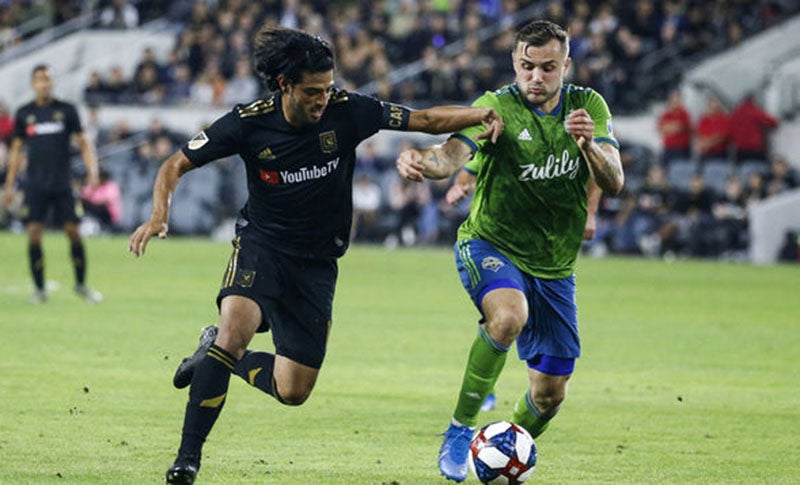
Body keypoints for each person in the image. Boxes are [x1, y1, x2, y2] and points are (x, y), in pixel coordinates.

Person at [127, 26, 504, 485]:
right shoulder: (248, 122)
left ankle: (213, 353)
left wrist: (480, 113)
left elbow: (424, 120)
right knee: (236, 330)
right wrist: (158, 214)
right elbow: (175, 164)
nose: (323, 98)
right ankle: (187, 460)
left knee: (293, 390)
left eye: (327, 88)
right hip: (261, 246)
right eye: (312, 91)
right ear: (285, 85)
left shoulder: (349, 111)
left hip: (317, 262)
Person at [395, 20, 623, 482]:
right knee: (507, 316)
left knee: (549, 396)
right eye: (526, 66)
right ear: (514, 64)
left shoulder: (588, 106)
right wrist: (425, 162)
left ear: (566, 66)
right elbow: (451, 155)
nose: (536, 77)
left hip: (555, 266)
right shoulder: (495, 107)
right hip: (489, 244)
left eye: (547, 68)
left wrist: (588, 148)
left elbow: (614, 180)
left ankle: (501, 444)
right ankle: (461, 429)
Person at [3, 64, 103, 304]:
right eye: (39, 79)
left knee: (73, 232)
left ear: (52, 82)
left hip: (62, 184)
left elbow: (83, 142)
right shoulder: (24, 113)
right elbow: (16, 151)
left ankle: (81, 284)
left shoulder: (66, 111)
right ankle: (39, 289)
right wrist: (9, 185)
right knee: (34, 234)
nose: (44, 84)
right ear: (32, 84)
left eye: (47, 79)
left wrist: (93, 171)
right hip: (35, 185)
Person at [729, 94, 778, 163]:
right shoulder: (755, 111)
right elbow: (773, 122)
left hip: (739, 151)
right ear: (753, 101)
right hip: (754, 151)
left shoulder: (735, 114)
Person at [656, 89, 692, 165]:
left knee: (680, 170)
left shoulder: (684, 113)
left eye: (677, 99)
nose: (675, 101)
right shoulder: (666, 114)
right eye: (673, 99)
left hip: (681, 149)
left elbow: (679, 127)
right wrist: (672, 127)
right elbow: (660, 129)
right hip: (668, 148)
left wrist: (668, 127)